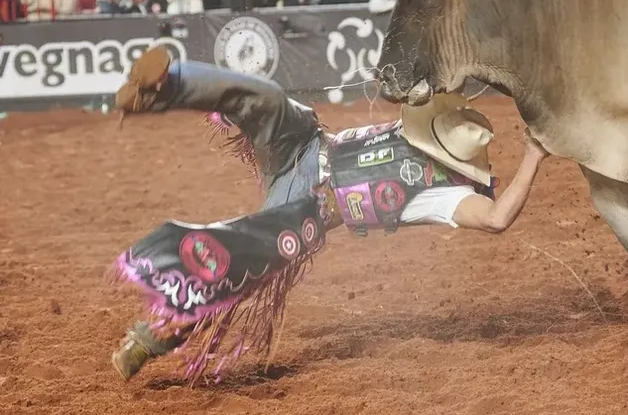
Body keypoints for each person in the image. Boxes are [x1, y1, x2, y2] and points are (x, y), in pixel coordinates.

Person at [110, 46, 549, 383]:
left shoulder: (443, 193)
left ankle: (153, 337)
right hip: (307, 143)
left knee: (241, 257)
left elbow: (496, 219)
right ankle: (164, 87)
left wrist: (534, 154)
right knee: (264, 97)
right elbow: (450, 66)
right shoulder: (424, 127)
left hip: (308, 207)